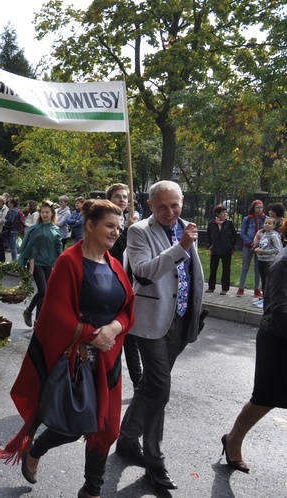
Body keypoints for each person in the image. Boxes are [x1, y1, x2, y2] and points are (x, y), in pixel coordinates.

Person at [0, 199, 135, 498]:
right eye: (109, 226)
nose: (115, 233)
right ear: (90, 225)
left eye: (118, 228)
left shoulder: (116, 265)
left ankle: (91, 490)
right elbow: (55, 314)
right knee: (73, 426)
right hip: (79, 361)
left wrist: (114, 328)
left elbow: (128, 307)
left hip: (108, 359)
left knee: (106, 430)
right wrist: (91, 334)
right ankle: (35, 450)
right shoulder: (69, 262)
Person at [115, 180, 205, 491]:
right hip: (152, 321)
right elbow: (144, 272)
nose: (169, 211)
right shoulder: (139, 231)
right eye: (163, 206)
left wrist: (194, 312)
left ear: (183, 202)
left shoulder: (187, 227)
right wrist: (180, 247)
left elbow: (192, 276)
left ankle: (127, 439)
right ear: (151, 205)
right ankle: (154, 459)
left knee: (150, 385)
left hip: (180, 321)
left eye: (175, 205)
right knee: (160, 389)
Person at [222, 221, 287, 474]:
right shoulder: (283, 264)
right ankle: (233, 440)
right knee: (264, 399)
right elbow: (280, 311)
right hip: (277, 341)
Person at [106, 183, 143, 390]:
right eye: (117, 196)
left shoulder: (137, 225)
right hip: (111, 288)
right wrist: (124, 230)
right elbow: (111, 255)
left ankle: (138, 381)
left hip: (130, 287)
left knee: (130, 336)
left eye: (125, 197)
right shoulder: (109, 226)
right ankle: (110, 380)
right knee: (114, 336)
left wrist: (133, 230)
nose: (122, 200)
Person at [19, 201, 63, 328]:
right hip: (36, 262)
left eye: (47, 212)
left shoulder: (55, 229)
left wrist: (62, 264)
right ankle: (28, 311)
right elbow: (27, 246)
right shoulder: (34, 228)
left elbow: (58, 248)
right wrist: (24, 262)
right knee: (43, 290)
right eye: (42, 212)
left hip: (48, 263)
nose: (44, 214)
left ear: (52, 213)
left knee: (45, 293)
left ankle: (38, 322)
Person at [206, 204, 238, 295]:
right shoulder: (212, 224)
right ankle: (211, 287)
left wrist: (231, 245)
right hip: (215, 249)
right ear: (217, 214)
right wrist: (210, 245)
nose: (224, 214)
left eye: (225, 212)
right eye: (222, 212)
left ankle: (225, 289)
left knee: (226, 269)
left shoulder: (229, 223)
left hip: (226, 250)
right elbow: (208, 235)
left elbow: (234, 235)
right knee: (213, 269)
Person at [237, 200, 265, 297]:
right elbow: (243, 233)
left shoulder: (265, 218)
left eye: (261, 207)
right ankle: (241, 289)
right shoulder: (247, 219)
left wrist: (259, 244)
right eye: (258, 207)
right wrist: (250, 243)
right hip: (247, 246)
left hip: (260, 247)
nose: (260, 209)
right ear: (253, 208)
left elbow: (267, 233)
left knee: (258, 269)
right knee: (245, 267)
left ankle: (257, 289)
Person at [253, 217, 282, 308]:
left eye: (269, 223)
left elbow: (278, 249)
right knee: (263, 280)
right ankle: (264, 298)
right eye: (265, 223)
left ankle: (268, 300)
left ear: (273, 226)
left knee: (268, 281)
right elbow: (263, 246)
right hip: (261, 260)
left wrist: (264, 252)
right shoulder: (263, 234)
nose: (267, 225)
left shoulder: (273, 235)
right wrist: (258, 249)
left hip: (268, 261)